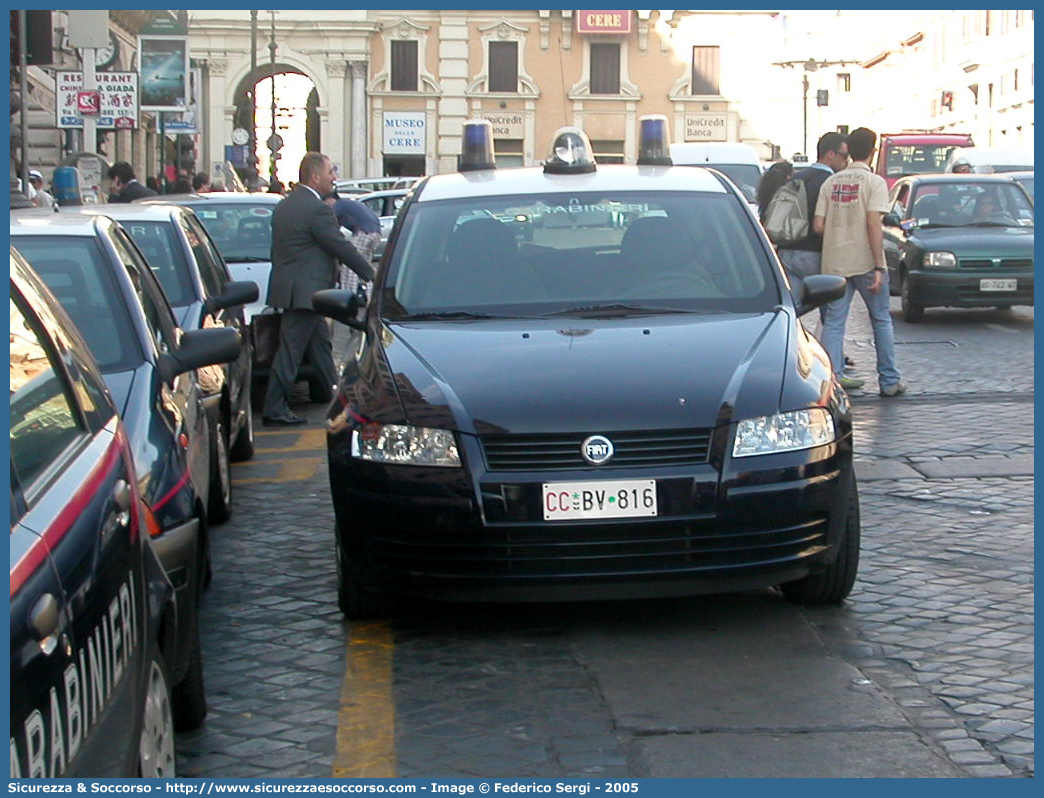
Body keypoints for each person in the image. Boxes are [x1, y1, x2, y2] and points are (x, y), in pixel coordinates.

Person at [261, 152, 376, 427]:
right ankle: (274, 408)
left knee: (322, 347)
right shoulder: (317, 209)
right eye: (330, 173)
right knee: (290, 352)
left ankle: (334, 398)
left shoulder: (285, 205)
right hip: (307, 294)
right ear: (315, 177)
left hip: (296, 290)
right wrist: (372, 275)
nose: (333, 178)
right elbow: (340, 246)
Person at [814, 127, 905, 397]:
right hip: (865, 260)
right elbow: (873, 224)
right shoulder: (875, 183)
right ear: (873, 151)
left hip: (835, 261)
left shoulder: (830, 183)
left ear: (848, 151)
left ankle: (834, 382)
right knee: (880, 319)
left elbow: (818, 226)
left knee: (834, 323)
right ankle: (888, 381)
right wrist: (879, 266)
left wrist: (839, 230)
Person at [776, 132, 851, 360]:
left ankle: (782, 354)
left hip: (788, 250)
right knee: (832, 313)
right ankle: (832, 364)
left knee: (791, 308)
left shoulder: (798, 177)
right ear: (830, 154)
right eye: (844, 155)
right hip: (814, 253)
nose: (846, 160)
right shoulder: (829, 183)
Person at [330, 193, 382, 292]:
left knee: (350, 263)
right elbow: (336, 228)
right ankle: (371, 294)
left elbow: (327, 220)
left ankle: (348, 294)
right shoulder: (347, 205)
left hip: (364, 232)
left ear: (331, 200)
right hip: (376, 232)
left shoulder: (338, 204)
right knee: (364, 267)